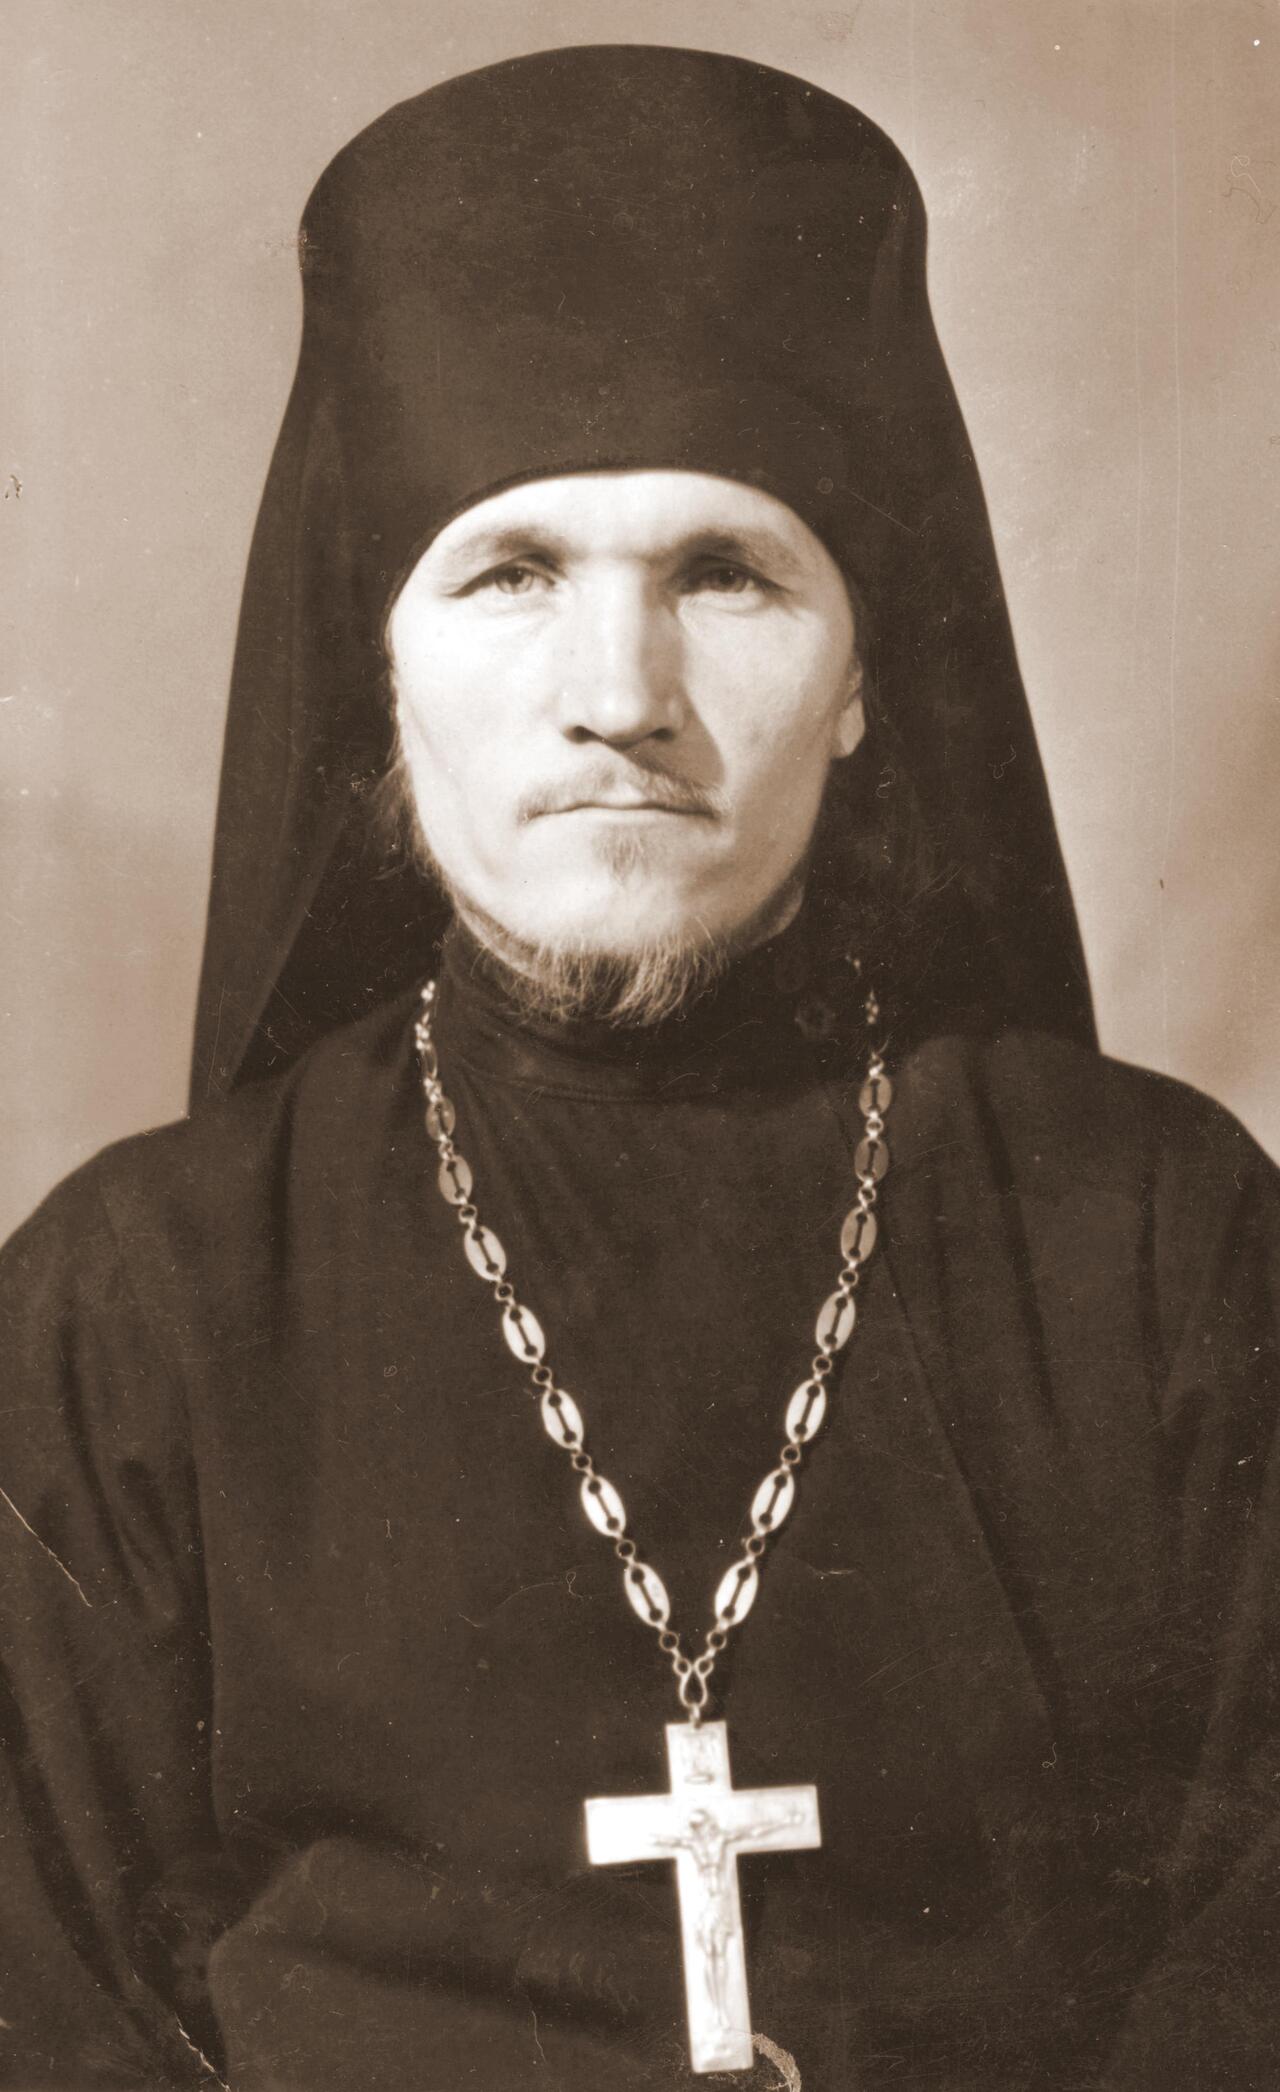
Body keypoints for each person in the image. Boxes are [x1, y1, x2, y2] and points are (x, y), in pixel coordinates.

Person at [1, 44, 1277, 2092]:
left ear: (863, 681)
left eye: (726, 574)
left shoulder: (1155, 1235)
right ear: (379, 663)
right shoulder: (132, 1300)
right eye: (509, 573)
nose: (621, 694)